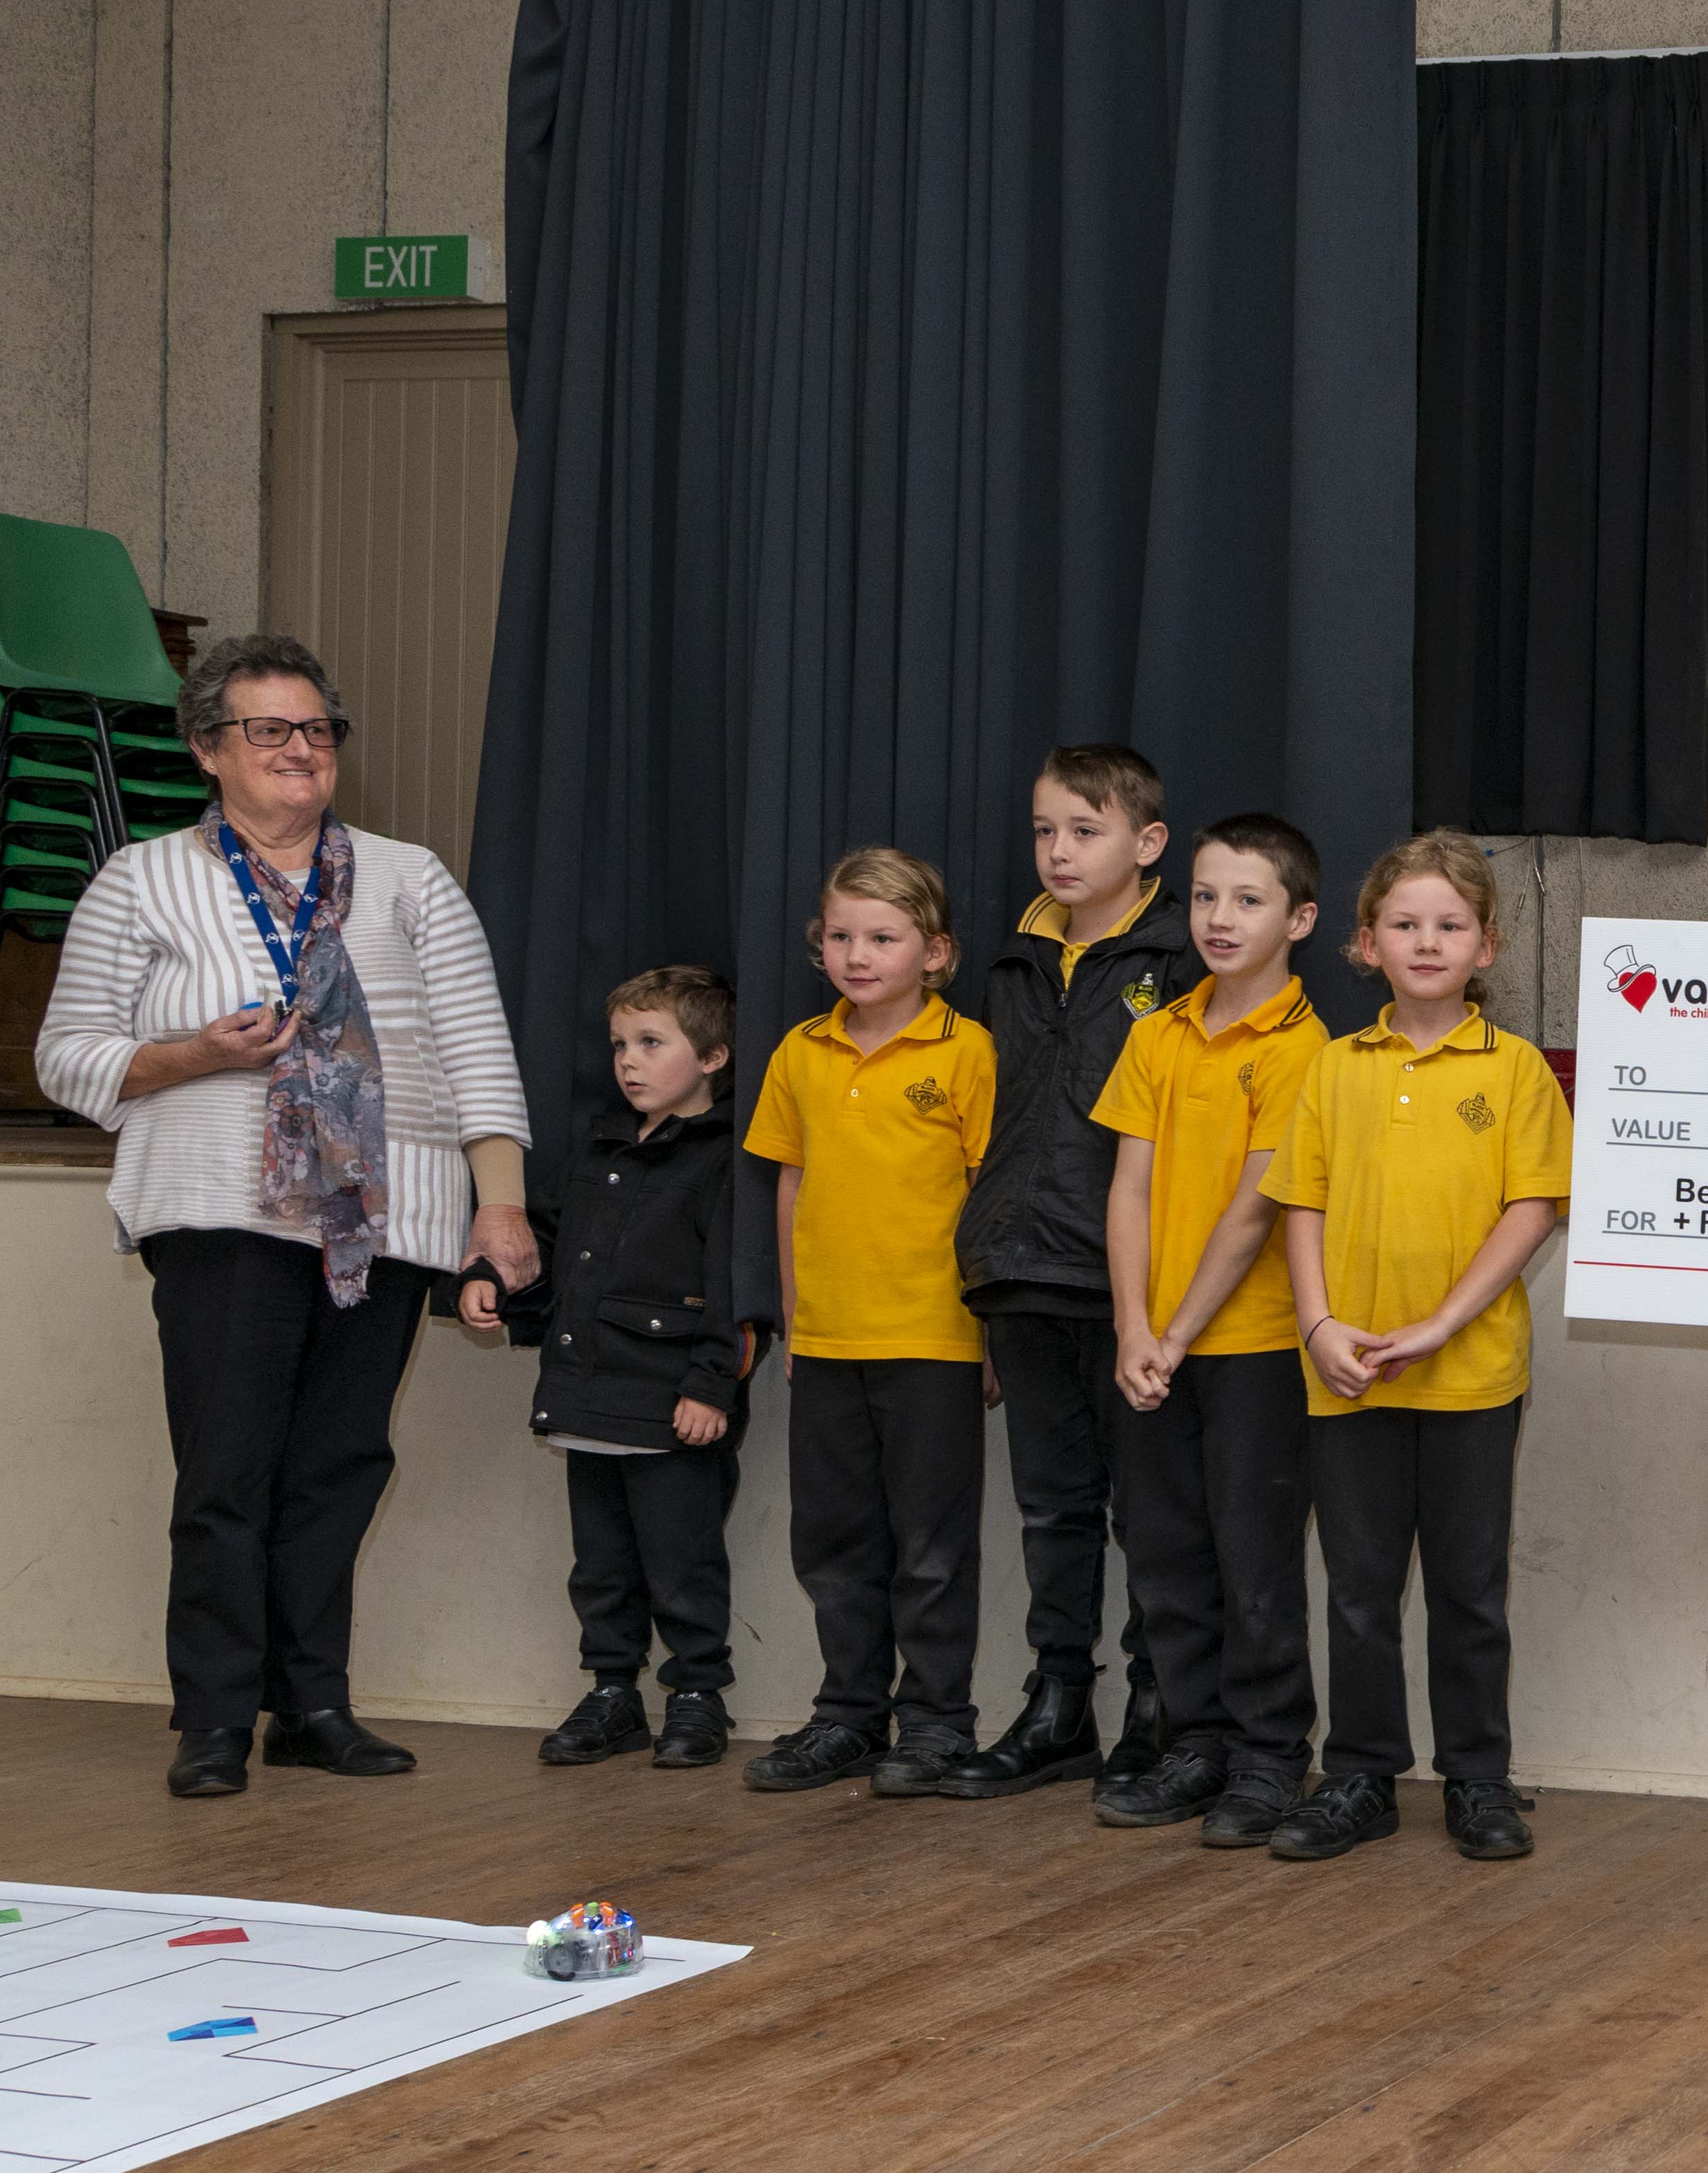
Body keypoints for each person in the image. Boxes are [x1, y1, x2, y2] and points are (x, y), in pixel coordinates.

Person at [34, 632, 539, 1799]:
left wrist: (501, 1207)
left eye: (317, 728)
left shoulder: (411, 878)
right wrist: (194, 1054)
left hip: (387, 1217)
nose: (300, 748)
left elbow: (477, 1046)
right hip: (220, 1208)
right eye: (270, 729)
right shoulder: (142, 880)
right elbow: (65, 1057)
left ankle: (313, 1706)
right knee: (228, 1471)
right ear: (209, 749)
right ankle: (215, 1718)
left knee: (340, 1466)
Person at [1268, 831, 1570, 1865]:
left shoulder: (1516, 1069)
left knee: (1468, 1592)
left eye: (1450, 925)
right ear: (1367, 944)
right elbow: (1300, 1206)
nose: (1427, 941)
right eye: (1404, 924)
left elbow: (1533, 1206)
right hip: (1348, 1377)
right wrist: (1318, 1326)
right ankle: (1360, 1775)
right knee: (1358, 1591)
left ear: (1487, 945)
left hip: (1471, 1377)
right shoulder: (1332, 1068)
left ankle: (1478, 1778)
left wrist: (1443, 1324)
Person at [949, 744, 1196, 1800]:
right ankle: (1058, 1707)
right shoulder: (1012, 962)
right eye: (1045, 831)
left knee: (1150, 1511)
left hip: (1132, 1285)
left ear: (1147, 843)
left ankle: (1156, 1707)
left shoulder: (1182, 960)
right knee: (1053, 1509)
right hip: (1020, 1268)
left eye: (1085, 832)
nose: (1059, 851)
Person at [740, 848, 999, 1798]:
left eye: (883, 938)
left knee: (931, 1544)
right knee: (833, 1539)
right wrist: (796, 1315)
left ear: (935, 952)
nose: (858, 955)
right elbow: (790, 1183)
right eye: (842, 936)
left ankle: (936, 1721)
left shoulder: (967, 1051)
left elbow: (987, 1192)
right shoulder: (801, 1051)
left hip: (932, 1336)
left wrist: (988, 1333)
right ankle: (848, 1715)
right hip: (830, 1338)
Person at [1094, 814, 1333, 1845]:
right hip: (1154, 1351)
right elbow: (1128, 1191)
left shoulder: (1305, 1049)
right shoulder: (1157, 1032)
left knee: (1255, 1559)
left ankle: (1270, 1758)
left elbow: (1254, 1213)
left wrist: (1178, 1330)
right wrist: (1132, 1329)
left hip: (1253, 1350)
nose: (1219, 918)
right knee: (1165, 1555)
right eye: (1202, 896)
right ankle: (1194, 1745)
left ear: (1300, 920)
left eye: (1247, 899)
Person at [461, 963, 753, 1772]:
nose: (629, 1060)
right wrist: (494, 1280)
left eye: (652, 1042)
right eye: (620, 1044)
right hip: (587, 1396)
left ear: (713, 1057)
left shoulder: (725, 1160)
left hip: (670, 1405)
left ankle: (697, 1693)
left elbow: (738, 1287)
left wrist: (712, 1384)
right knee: (601, 1566)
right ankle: (613, 1692)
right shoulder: (601, 1145)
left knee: (683, 1563)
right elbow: (556, 1248)